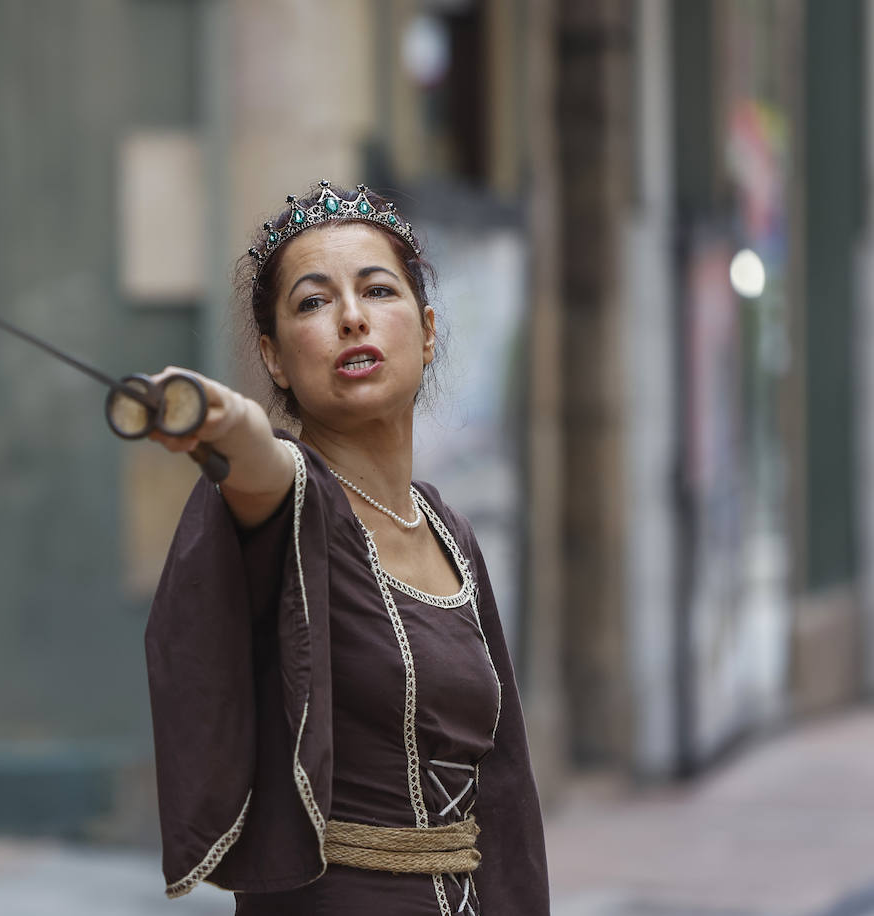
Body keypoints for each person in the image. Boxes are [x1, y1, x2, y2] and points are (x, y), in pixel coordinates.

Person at [142, 181, 550, 915]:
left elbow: (507, 791)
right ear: (272, 357)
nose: (352, 319)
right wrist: (220, 418)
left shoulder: (449, 533)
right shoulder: (295, 500)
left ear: (427, 331)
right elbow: (258, 462)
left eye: (377, 291)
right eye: (313, 302)